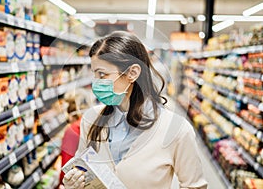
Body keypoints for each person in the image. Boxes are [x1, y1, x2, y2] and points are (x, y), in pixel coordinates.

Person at [62, 31, 207, 189]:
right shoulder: (91, 119)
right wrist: (75, 183)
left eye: (102, 74)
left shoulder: (176, 130)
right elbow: (82, 170)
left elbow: (194, 186)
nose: (96, 83)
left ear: (132, 73)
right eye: (95, 74)